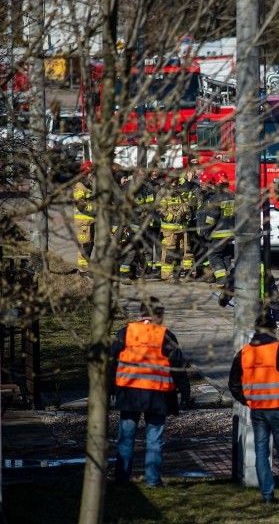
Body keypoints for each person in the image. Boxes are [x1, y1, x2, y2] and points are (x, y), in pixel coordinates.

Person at [108, 297, 191, 487]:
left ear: (141, 313)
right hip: (156, 395)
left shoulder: (126, 332)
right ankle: (153, 480)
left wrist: (110, 387)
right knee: (154, 439)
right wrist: (185, 391)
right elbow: (177, 366)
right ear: (159, 315)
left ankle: (121, 479)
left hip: (129, 393)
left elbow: (112, 362)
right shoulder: (165, 335)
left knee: (126, 439)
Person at [228, 313, 279, 506]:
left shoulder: (244, 353)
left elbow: (233, 383)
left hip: (258, 410)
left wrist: (247, 400)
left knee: (261, 451)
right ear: (272, 330)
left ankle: (267, 495)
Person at [72, 160, 95, 276]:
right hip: (83, 223)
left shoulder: (88, 185)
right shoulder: (79, 186)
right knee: (84, 245)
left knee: (89, 245)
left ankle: (86, 267)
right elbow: (79, 203)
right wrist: (93, 208)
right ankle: (83, 270)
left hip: (89, 221)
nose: (93, 175)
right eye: (91, 173)